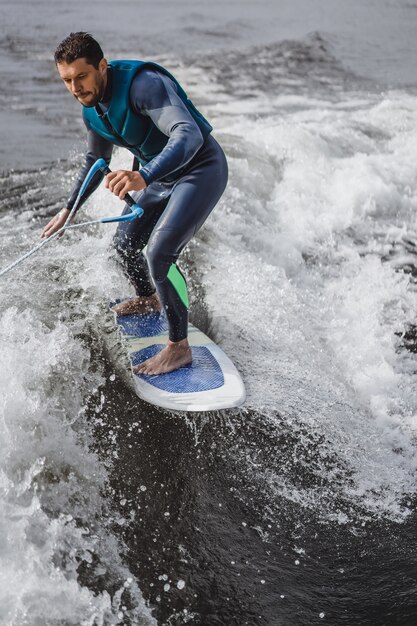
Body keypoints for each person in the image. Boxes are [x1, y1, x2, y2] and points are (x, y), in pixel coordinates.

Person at [42, 32, 228, 375]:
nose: (75, 88)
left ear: (101, 66)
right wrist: (70, 208)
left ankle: (178, 347)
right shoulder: (92, 110)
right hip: (158, 177)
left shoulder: (145, 85)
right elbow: (95, 161)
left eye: (81, 76)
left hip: (200, 169)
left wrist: (145, 175)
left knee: (159, 253)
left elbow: (188, 133)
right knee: (124, 246)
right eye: (66, 80)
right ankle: (151, 297)